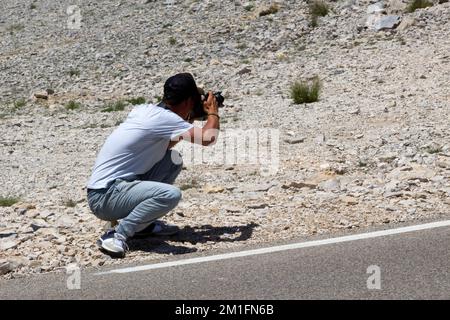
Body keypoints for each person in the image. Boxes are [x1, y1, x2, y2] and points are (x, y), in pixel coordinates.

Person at [86, 73, 220, 257]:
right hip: (105, 197)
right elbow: (208, 138)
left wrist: (189, 119)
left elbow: (162, 145)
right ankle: (117, 235)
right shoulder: (166, 119)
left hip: (107, 189)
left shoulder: (145, 110)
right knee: (170, 195)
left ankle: (142, 227)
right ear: (189, 101)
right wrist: (213, 111)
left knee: (172, 160)